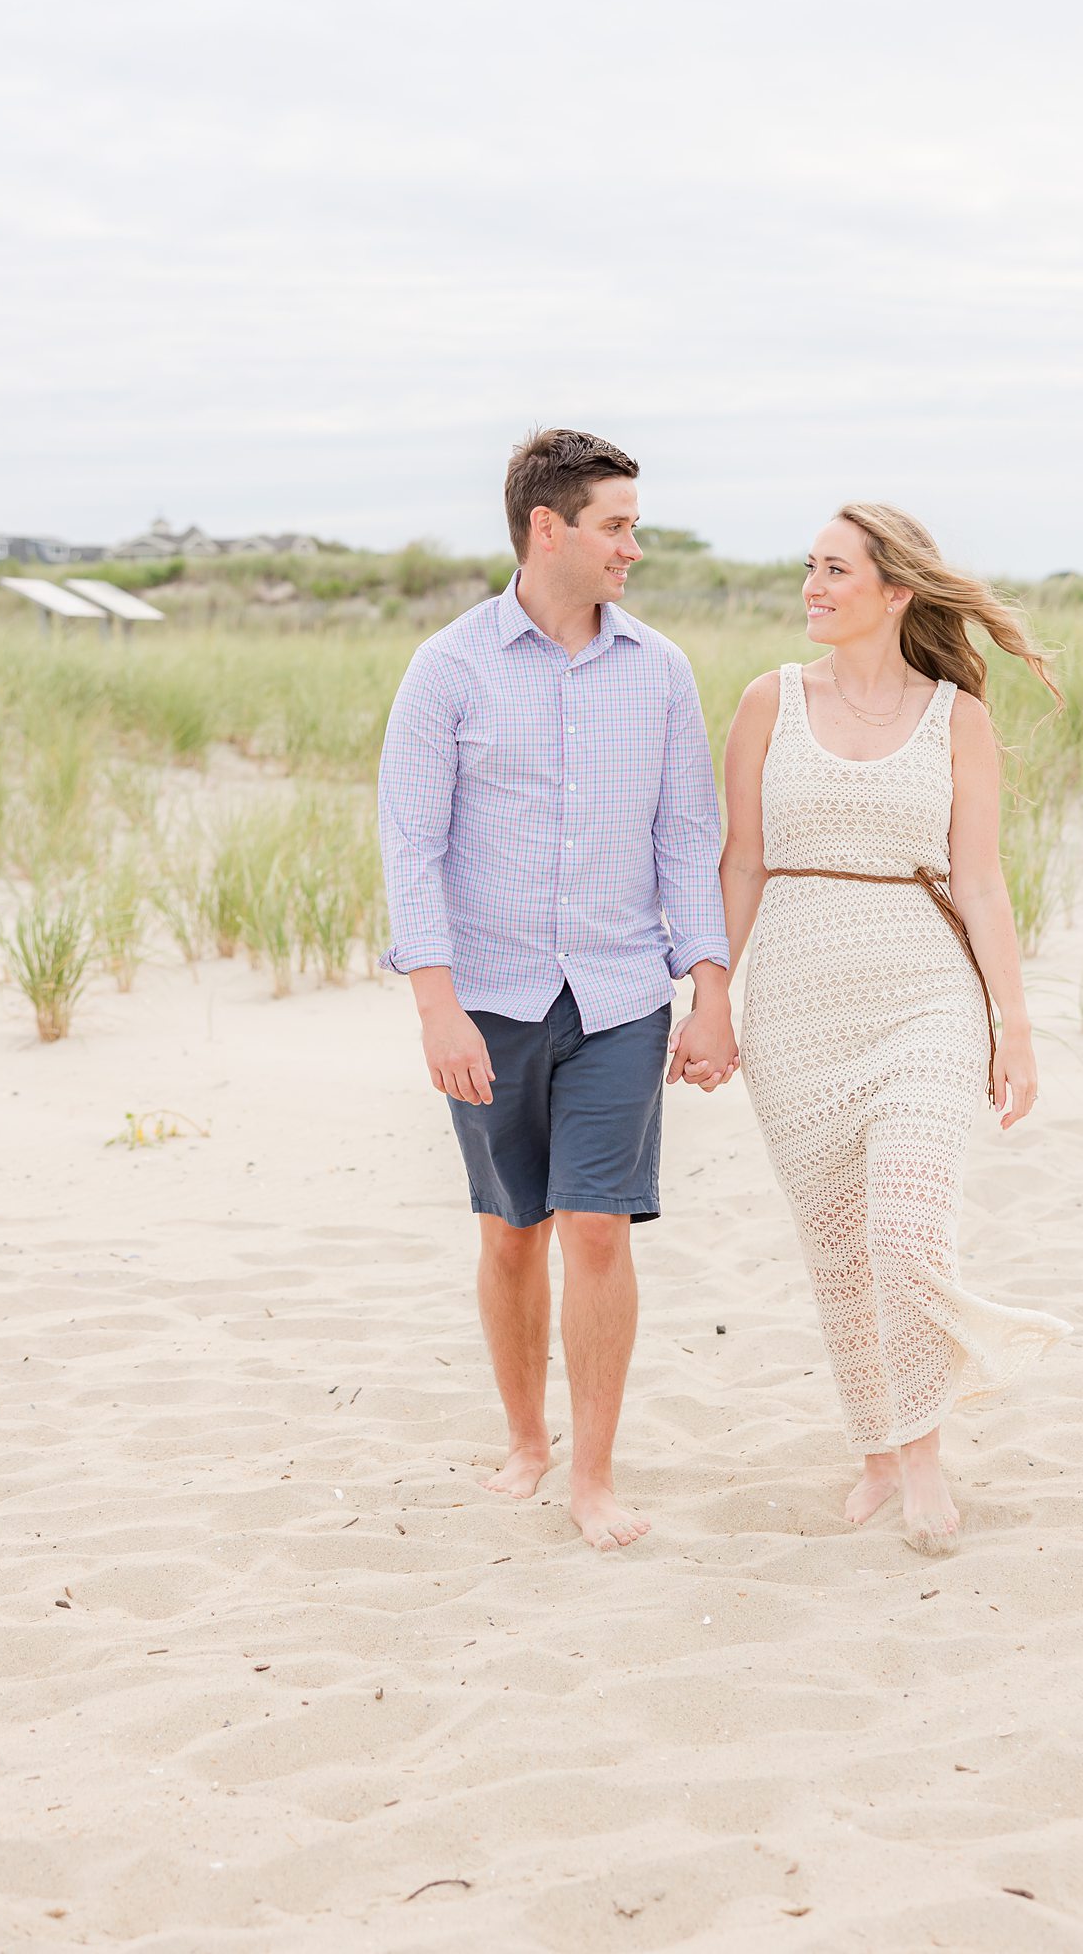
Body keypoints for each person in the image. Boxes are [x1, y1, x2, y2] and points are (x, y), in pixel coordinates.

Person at [378, 429, 737, 1552]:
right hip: (486, 998)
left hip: (621, 996)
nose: (634, 546)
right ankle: (524, 1439)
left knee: (595, 1230)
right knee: (511, 1232)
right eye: (617, 525)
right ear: (549, 529)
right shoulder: (448, 667)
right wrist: (435, 1003)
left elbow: (688, 840)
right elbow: (409, 846)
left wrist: (710, 989)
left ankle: (590, 1473)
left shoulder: (661, 671)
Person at [719, 502, 1073, 1555]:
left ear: (894, 591)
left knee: (906, 1230)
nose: (812, 588)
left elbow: (981, 880)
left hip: (925, 995)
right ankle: (875, 1448)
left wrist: (1013, 1025)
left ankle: (920, 1457)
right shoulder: (765, 702)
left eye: (834, 570)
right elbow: (738, 864)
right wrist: (708, 1001)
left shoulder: (955, 715)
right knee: (837, 1250)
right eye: (808, 569)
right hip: (791, 1004)